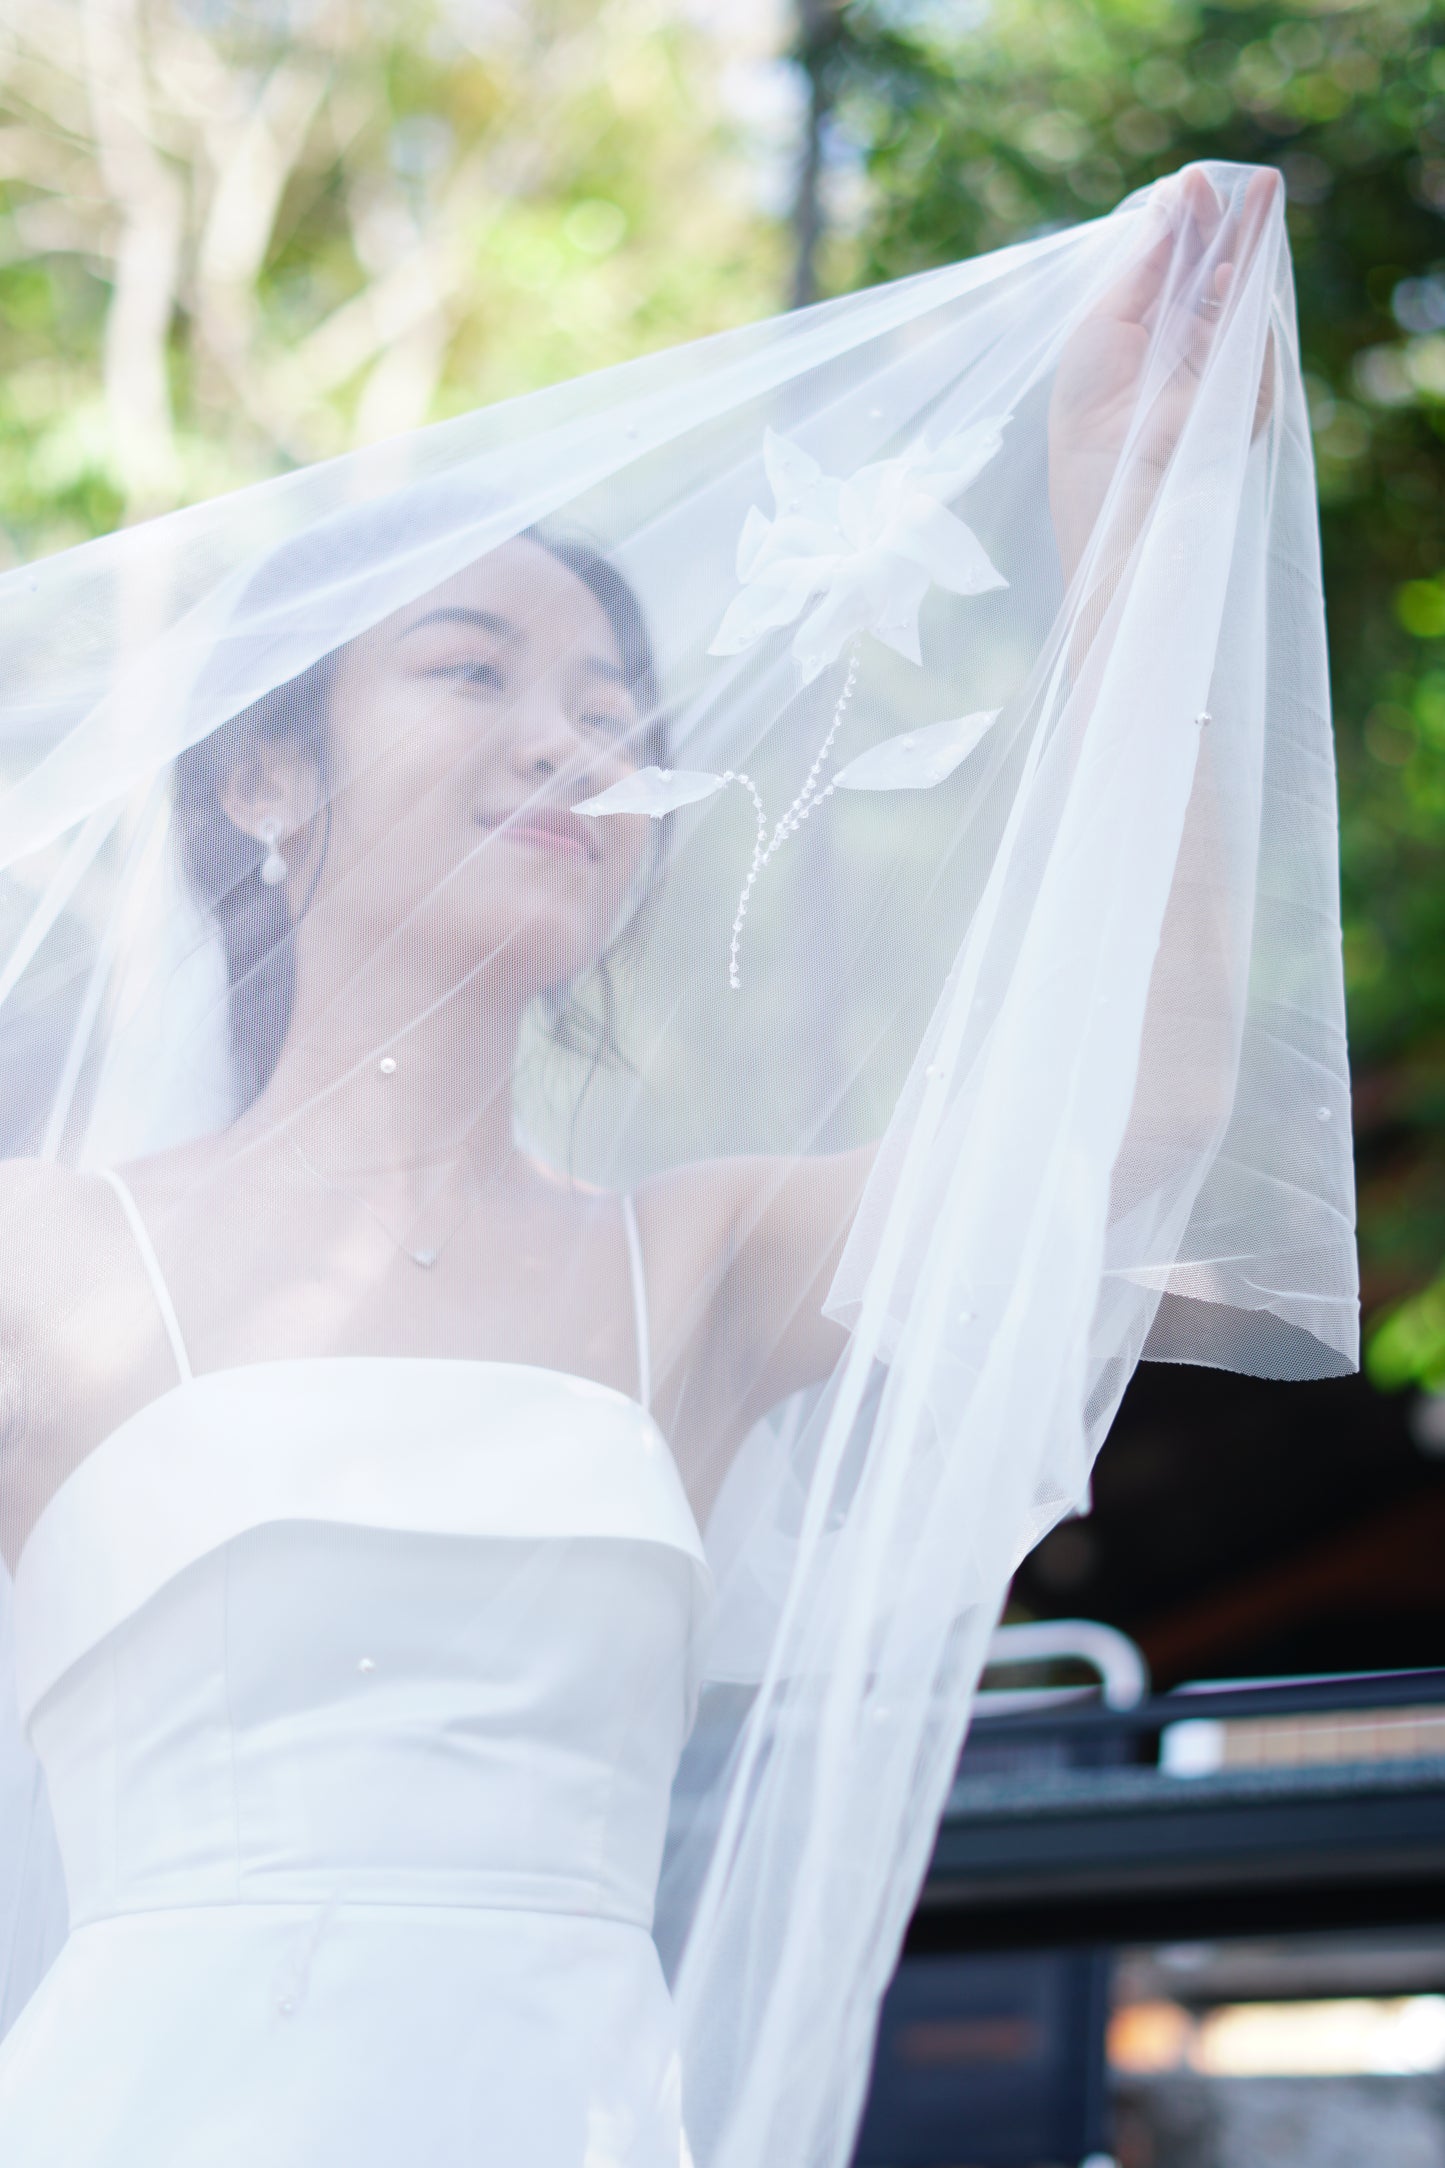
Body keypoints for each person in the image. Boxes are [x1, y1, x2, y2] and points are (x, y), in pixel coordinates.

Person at [0, 164, 1354, 2166]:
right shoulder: (44, 1255)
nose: (566, 739)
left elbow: (1131, 1120)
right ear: (267, 772)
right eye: (474, 670)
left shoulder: (701, 1255)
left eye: (611, 706)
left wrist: (1136, 510)